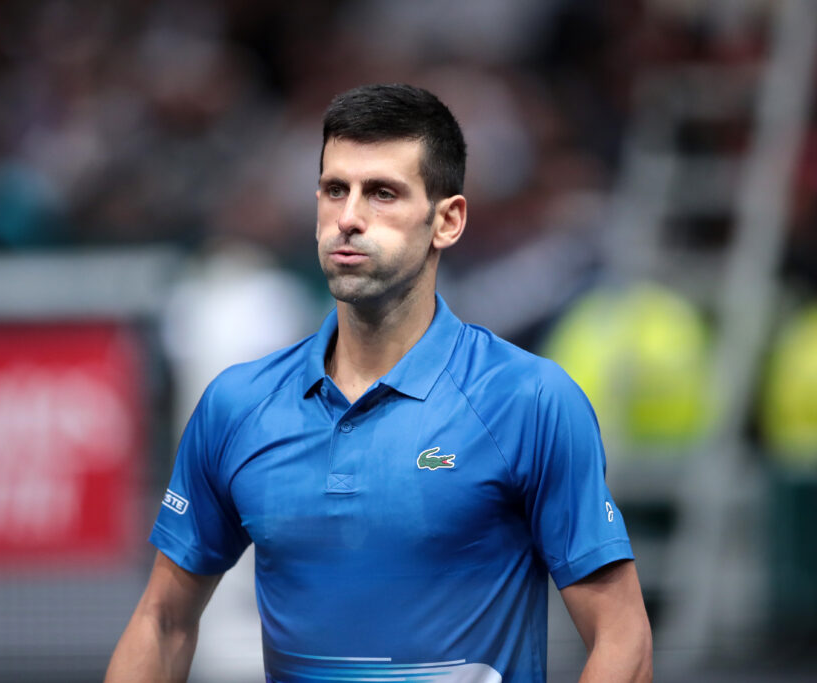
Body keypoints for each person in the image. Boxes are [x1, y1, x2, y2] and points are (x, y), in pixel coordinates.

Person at [105, 83, 653, 683]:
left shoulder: (530, 401)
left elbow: (621, 636)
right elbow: (162, 622)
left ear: (447, 220)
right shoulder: (236, 406)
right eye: (335, 189)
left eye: (382, 194)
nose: (348, 218)